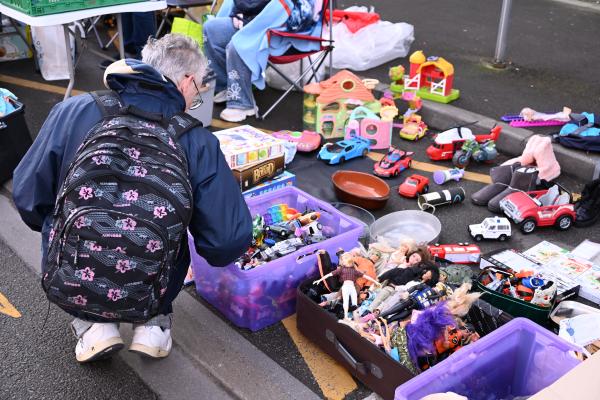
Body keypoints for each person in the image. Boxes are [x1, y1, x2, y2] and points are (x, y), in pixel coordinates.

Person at [13, 34, 252, 362]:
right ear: (186, 81)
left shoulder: (75, 109)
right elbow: (227, 240)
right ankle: (153, 325)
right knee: (177, 230)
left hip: (73, 273)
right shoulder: (197, 141)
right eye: (198, 90)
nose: (196, 97)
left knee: (57, 212)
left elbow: (28, 196)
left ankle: (92, 325)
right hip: (153, 286)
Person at [203, 0, 270, 122]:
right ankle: (226, 87)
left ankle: (243, 103)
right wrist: (238, 13)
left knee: (238, 42)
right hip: (252, 16)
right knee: (211, 28)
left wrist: (246, 16)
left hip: (276, 24)